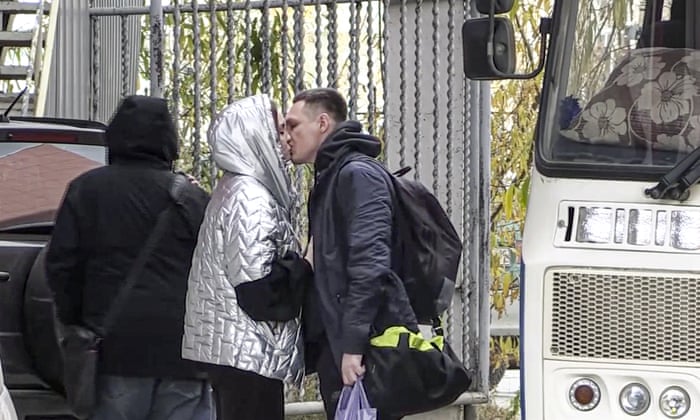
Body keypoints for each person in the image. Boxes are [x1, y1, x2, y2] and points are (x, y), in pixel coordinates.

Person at [45, 95, 212, 420]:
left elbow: (62, 267)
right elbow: (214, 274)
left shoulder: (86, 190)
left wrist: (79, 322)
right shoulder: (191, 198)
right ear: (169, 141)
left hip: (113, 351)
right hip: (184, 356)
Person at [285, 88, 417, 419]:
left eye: (293, 125)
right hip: (341, 340)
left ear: (323, 123)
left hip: (365, 345)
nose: (286, 136)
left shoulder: (357, 175)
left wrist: (353, 346)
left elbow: (370, 264)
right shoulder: (331, 178)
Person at [182, 94, 308, 420]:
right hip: (247, 352)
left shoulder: (235, 188)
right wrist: (305, 266)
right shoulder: (250, 197)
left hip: (238, 350)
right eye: (279, 130)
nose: (287, 138)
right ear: (256, 134)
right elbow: (258, 292)